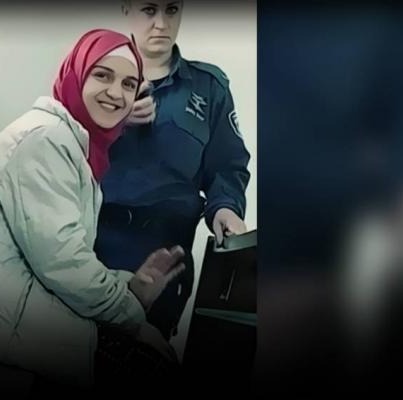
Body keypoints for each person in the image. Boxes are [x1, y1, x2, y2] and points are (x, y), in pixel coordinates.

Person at [0, 29, 185, 389]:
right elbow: (62, 263)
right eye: (102, 75)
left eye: (129, 84)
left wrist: (131, 286)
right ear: (75, 74)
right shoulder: (47, 139)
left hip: (14, 319)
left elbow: (60, 257)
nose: (116, 93)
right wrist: (132, 317)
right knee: (157, 369)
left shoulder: (73, 145)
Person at [94, 0, 252, 339]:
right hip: (93, 246)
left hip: (165, 255)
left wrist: (225, 207)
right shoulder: (96, 76)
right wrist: (113, 122)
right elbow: (63, 146)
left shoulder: (208, 87)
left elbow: (227, 166)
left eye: (171, 10)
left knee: (142, 357)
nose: (162, 24)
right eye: (149, 10)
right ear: (126, 8)